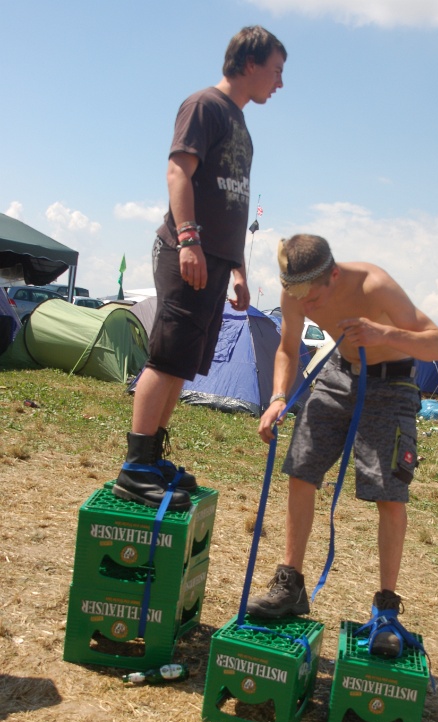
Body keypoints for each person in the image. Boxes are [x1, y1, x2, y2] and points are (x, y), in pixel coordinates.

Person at [246, 234, 438, 657]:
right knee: (301, 468)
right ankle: (289, 584)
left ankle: (386, 610)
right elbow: (287, 349)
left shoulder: (375, 285)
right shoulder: (295, 292)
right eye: (297, 296)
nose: (306, 304)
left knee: (389, 494)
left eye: (313, 298)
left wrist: (384, 333)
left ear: (334, 274)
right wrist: (278, 397)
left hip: (392, 383)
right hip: (338, 374)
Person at [112, 26, 287, 510]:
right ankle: (134, 468)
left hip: (217, 261)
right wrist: (189, 239)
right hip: (186, 252)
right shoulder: (204, 105)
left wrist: (239, 271)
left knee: (182, 364)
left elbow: (232, 203)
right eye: (276, 70)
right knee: (166, 358)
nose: (280, 82)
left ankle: (151, 456)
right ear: (249, 63)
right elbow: (178, 172)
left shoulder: (240, 123)